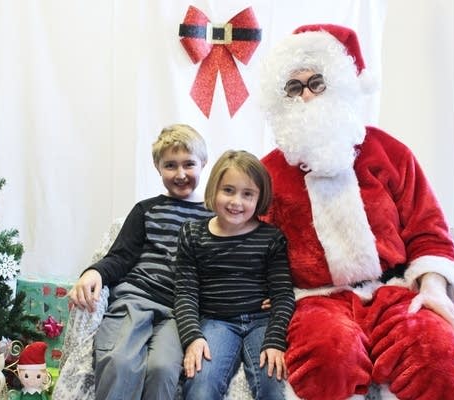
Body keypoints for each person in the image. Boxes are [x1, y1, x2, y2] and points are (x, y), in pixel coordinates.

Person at [258, 23, 454, 399]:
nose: (306, 96)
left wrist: (435, 288)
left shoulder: (389, 153)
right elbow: (248, 242)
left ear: (342, 84)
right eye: (294, 87)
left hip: (395, 292)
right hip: (315, 302)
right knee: (327, 359)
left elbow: (429, 231)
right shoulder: (268, 173)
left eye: (317, 82)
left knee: (438, 357)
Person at [67, 124, 214, 400]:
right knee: (120, 361)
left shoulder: (214, 218)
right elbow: (120, 256)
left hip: (178, 312)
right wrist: (94, 273)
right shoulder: (146, 210)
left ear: (203, 163)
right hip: (135, 300)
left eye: (188, 164)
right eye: (170, 165)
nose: (180, 174)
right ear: (158, 168)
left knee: (162, 369)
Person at [174, 150, 295, 400]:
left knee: (274, 385)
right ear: (214, 189)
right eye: (228, 190)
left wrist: (275, 340)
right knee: (200, 385)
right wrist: (193, 338)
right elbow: (185, 293)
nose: (236, 202)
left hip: (262, 321)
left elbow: (283, 294)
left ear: (259, 198)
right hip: (216, 322)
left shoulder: (271, 238)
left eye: (247, 194)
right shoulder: (192, 234)